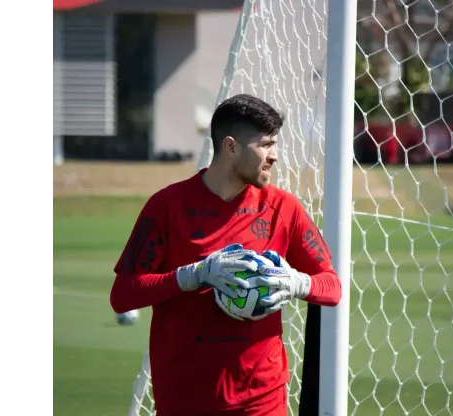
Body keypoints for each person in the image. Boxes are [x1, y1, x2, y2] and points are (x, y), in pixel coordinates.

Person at [110, 94, 342, 416]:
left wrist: (296, 282)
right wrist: (194, 275)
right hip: (184, 400)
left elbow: (332, 287)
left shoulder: (283, 208)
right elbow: (123, 296)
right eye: (266, 144)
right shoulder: (166, 207)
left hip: (262, 401)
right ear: (231, 147)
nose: (274, 156)